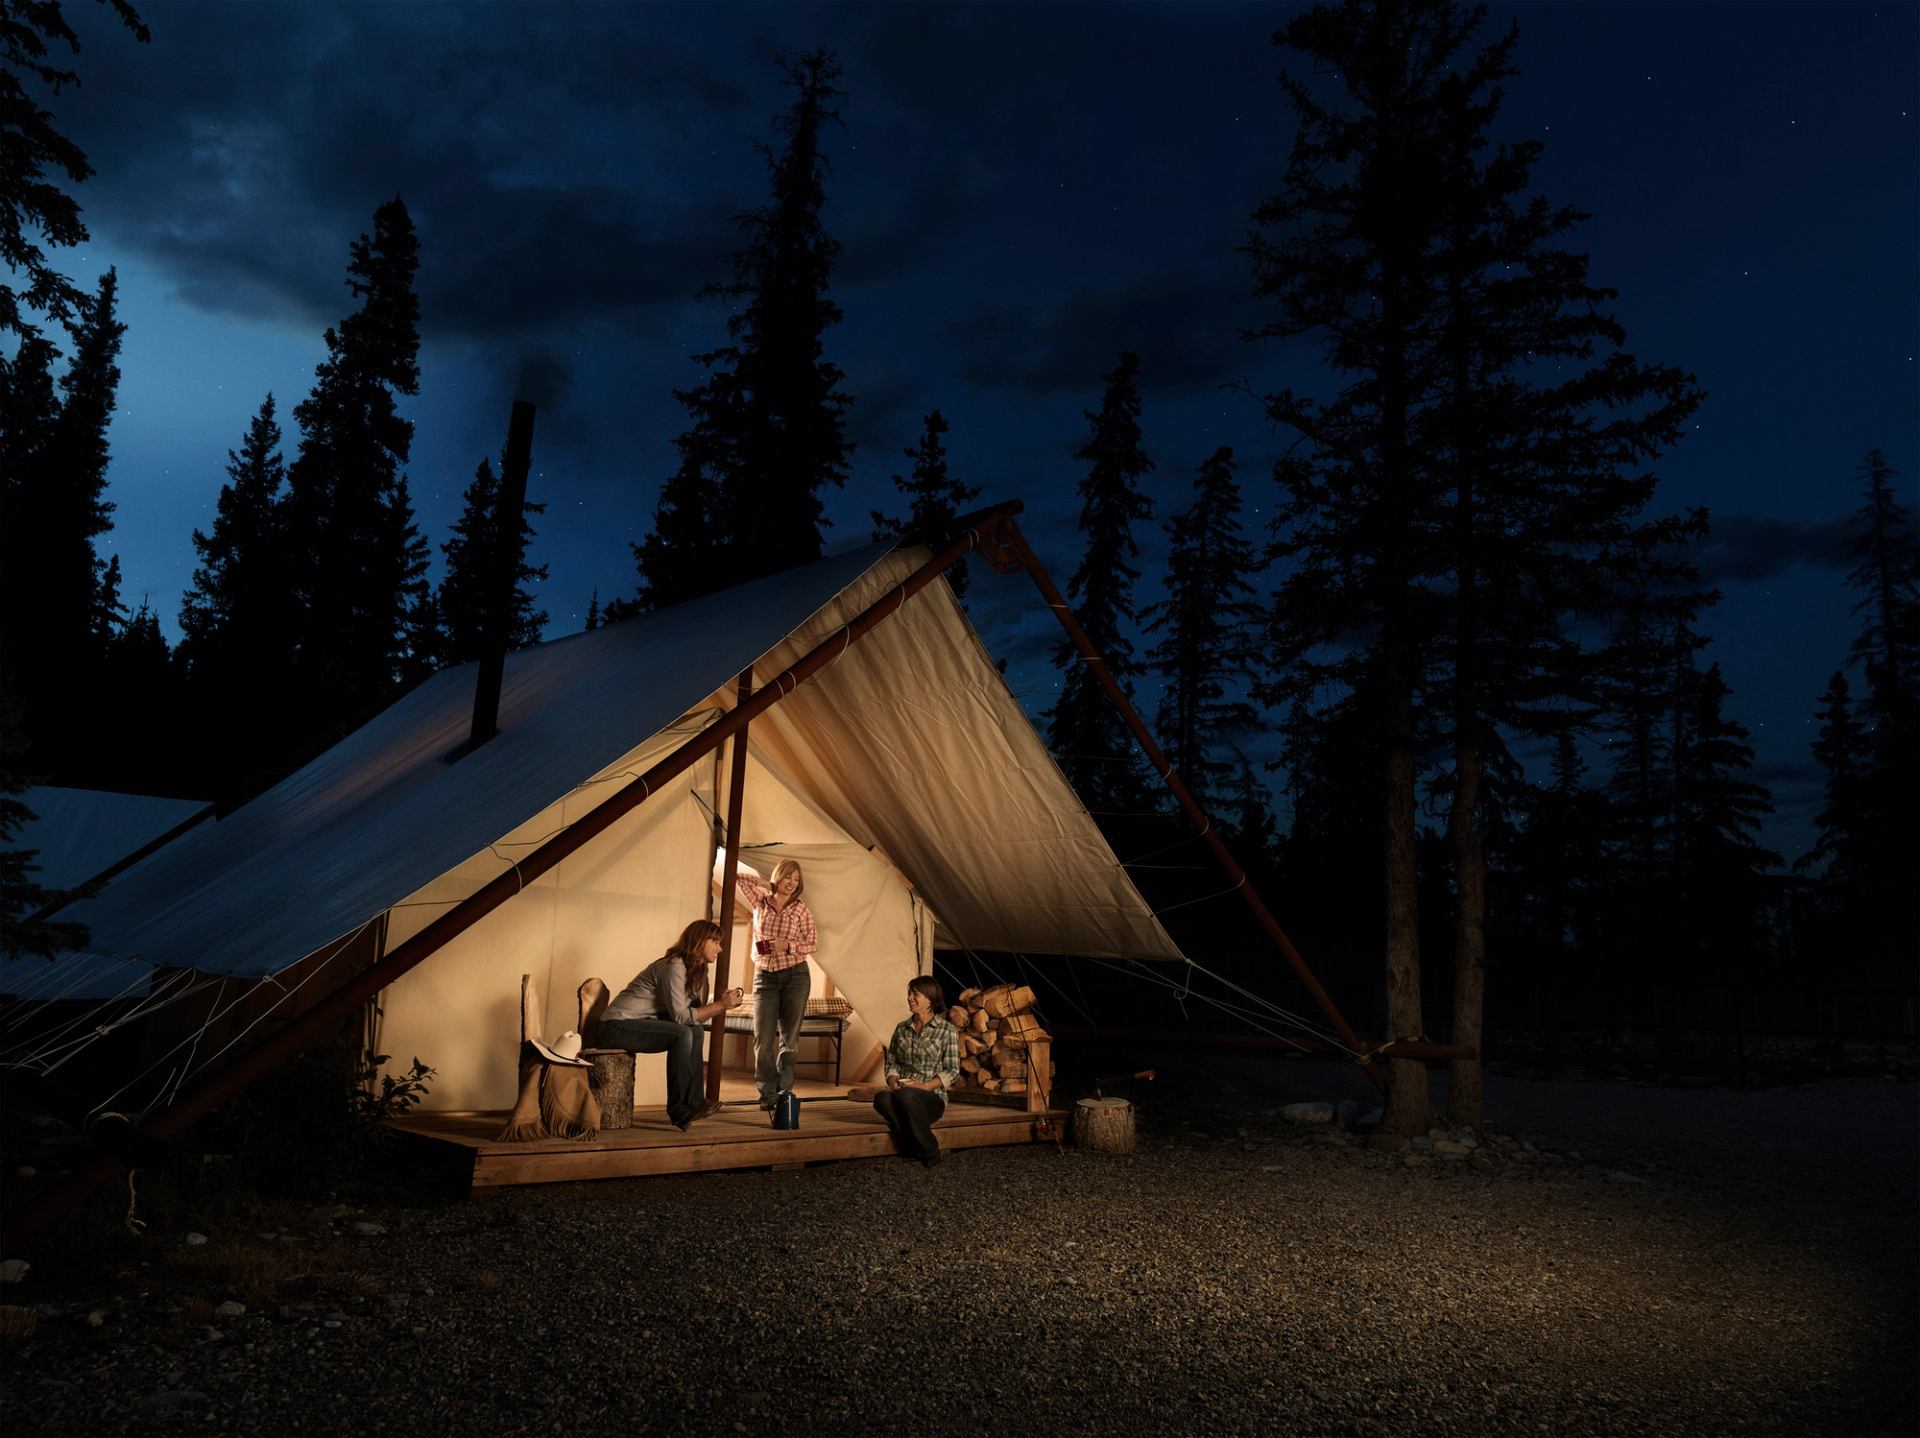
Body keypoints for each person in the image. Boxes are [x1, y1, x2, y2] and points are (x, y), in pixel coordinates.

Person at [599, 919, 745, 1132]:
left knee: (694, 1031)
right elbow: (681, 1017)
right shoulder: (674, 966)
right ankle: (679, 1110)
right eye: (715, 941)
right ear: (698, 942)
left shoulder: (696, 969)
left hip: (637, 1024)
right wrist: (720, 1005)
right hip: (615, 1027)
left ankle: (695, 1104)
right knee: (682, 1033)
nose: (720, 948)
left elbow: (693, 1018)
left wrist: (720, 1005)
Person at [725, 853, 818, 1112]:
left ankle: (784, 1089)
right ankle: (767, 1093)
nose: (791, 882)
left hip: (795, 976)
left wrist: (787, 945)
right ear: (779, 876)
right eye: (787, 876)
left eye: (796, 879)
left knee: (789, 1038)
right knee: (763, 1038)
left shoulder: (801, 909)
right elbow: (737, 877)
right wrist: (767, 884)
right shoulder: (760, 902)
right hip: (765, 977)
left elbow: (813, 943)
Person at [874, 975, 961, 1166]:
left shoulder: (946, 1030)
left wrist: (925, 1086)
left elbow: (953, 1070)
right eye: (909, 994)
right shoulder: (901, 1028)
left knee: (906, 1096)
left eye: (916, 994)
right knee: (880, 1098)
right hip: (903, 1094)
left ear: (930, 999)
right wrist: (892, 1079)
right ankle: (912, 1145)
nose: (910, 998)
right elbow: (892, 1062)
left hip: (931, 1098)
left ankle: (930, 1151)